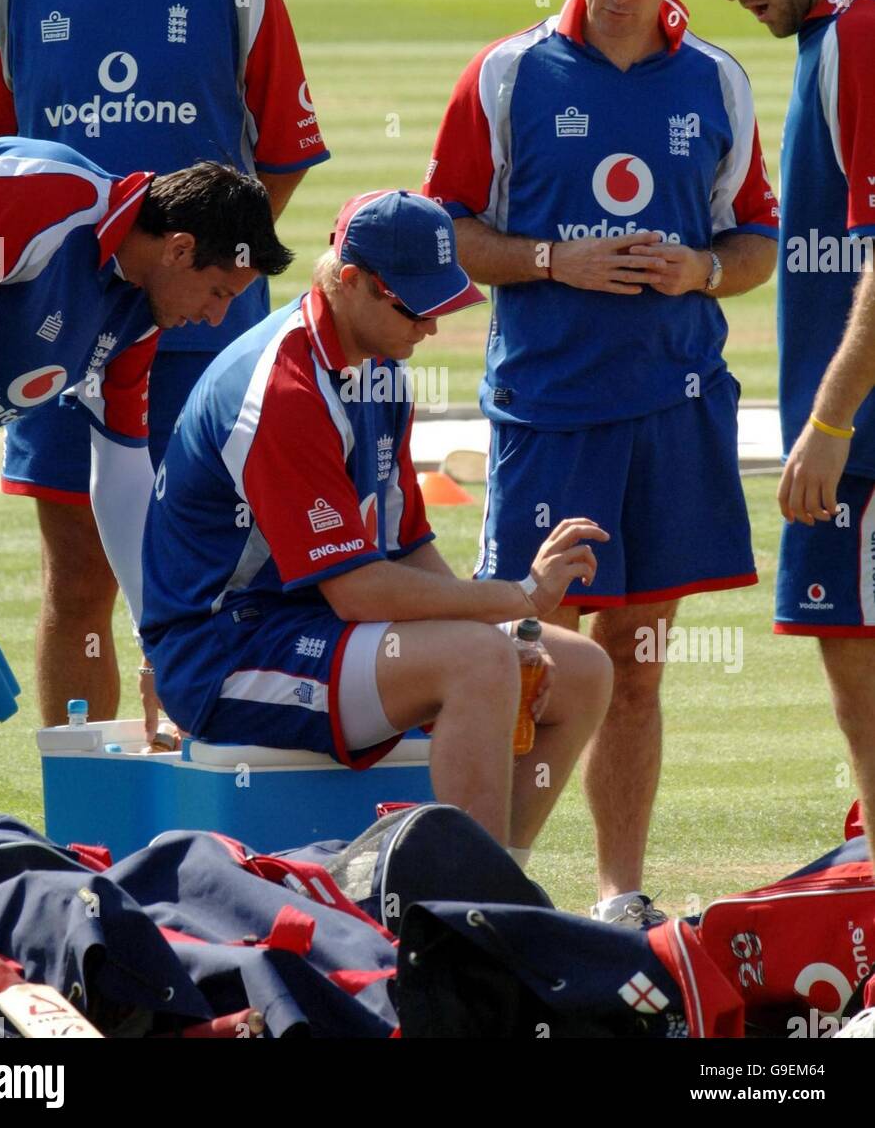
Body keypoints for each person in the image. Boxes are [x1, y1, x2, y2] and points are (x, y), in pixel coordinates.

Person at [422, 0, 778, 924]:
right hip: (547, 409)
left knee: (636, 656)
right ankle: (501, 885)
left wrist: (700, 273)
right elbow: (444, 232)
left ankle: (619, 893)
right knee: (522, 652)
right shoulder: (505, 75)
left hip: (671, 408)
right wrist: (549, 259)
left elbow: (751, 237)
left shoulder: (714, 82)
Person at [0, 0, 327, 728]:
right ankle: (81, 824)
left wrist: (196, 272)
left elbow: (280, 151)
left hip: (206, 333)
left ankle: (197, 826)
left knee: (206, 576)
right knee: (76, 577)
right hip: (52, 332)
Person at [140, 190, 613, 851]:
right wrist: (516, 599)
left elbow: (408, 545)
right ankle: (469, 913)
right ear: (353, 283)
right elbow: (359, 590)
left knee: (580, 671)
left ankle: (500, 881)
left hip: (311, 628)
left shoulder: (381, 368)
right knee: (479, 661)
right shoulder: (283, 392)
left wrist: (511, 626)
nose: (431, 328)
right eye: (416, 307)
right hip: (223, 653)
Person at [0, 135, 292, 773]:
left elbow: (120, 480)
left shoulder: (138, 314)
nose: (216, 316)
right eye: (220, 292)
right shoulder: (38, 201)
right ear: (179, 249)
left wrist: (161, 647)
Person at [671, 0, 875, 852]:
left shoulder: (859, 34)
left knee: (863, 692)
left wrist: (832, 418)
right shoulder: (828, 37)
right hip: (846, 431)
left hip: (862, 438)